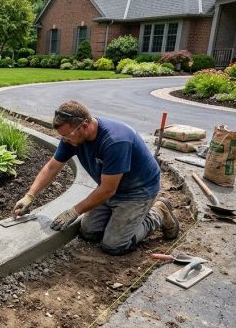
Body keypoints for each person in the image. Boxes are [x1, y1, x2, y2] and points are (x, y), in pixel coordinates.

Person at [12, 100, 179, 255]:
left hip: (137, 191)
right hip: (110, 188)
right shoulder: (72, 137)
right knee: (88, 233)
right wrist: (29, 196)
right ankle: (119, 221)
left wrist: (74, 211)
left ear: (84, 125)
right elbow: (52, 167)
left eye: (67, 135)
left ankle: (159, 212)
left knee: (114, 245)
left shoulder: (115, 141)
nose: (65, 140)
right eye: (62, 136)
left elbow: (108, 189)